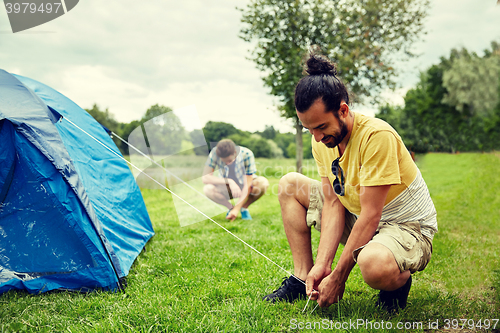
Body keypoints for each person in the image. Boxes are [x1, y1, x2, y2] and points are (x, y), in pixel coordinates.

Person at [262, 53, 438, 312]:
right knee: (290, 184)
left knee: (373, 264)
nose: (317, 137)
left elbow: (371, 215)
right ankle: (302, 278)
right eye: (309, 129)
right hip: (359, 216)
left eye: (321, 127)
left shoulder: (377, 136)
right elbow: (333, 202)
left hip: (405, 226)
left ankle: (397, 282)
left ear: (343, 110)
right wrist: (322, 265)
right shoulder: (322, 139)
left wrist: (338, 278)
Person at [202, 139, 269, 221]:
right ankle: (230, 208)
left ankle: (243, 208)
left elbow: (247, 185)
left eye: (229, 161)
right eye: (224, 161)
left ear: (234, 153)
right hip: (227, 186)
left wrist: (237, 209)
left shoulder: (247, 154)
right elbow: (205, 178)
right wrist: (229, 181)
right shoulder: (215, 153)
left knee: (263, 183)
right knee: (207, 189)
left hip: (244, 185)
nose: (227, 164)